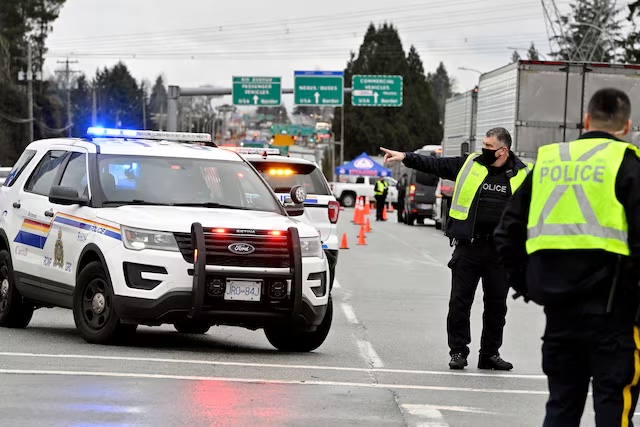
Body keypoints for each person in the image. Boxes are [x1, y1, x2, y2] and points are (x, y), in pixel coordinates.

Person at [494, 88, 640, 426]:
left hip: (559, 311)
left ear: (586, 121)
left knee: (561, 405)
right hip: (614, 314)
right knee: (613, 405)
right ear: (627, 126)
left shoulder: (549, 161)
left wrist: (530, 285)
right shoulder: (629, 165)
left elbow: (506, 234)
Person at [381, 128, 532, 371]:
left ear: (503, 150)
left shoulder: (523, 174)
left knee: (497, 306)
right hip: (469, 248)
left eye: (489, 146)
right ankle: (458, 352)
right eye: (483, 143)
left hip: (500, 253)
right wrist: (406, 156)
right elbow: (435, 164)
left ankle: (490, 355)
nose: (484, 149)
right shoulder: (470, 163)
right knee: (459, 303)